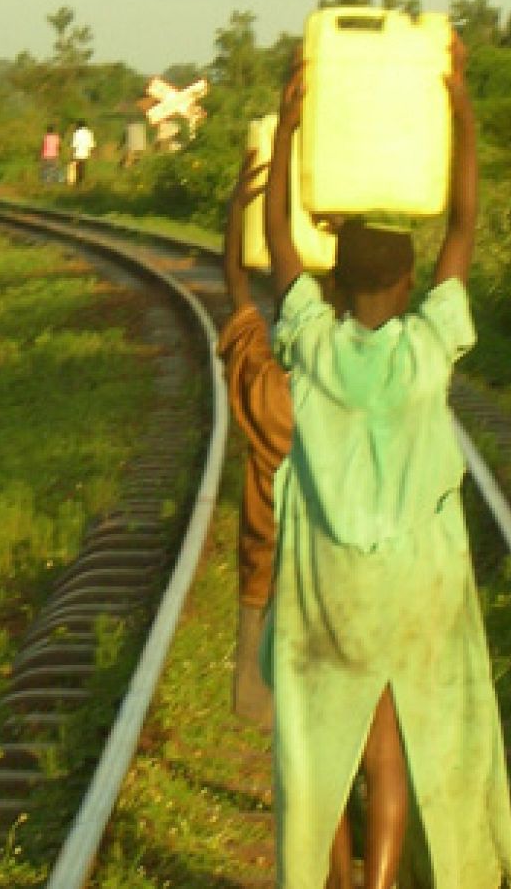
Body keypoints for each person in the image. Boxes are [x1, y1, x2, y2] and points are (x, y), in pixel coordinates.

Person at [262, 36, 511, 888]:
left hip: (327, 583)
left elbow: (277, 243)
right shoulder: (427, 348)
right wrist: (462, 117)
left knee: (316, 751)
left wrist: (290, 136)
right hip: (414, 585)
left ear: (337, 284)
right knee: (388, 750)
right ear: (410, 282)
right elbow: (465, 224)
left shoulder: (311, 344)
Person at [217, 147, 294, 729]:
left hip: (265, 581)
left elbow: (240, 300)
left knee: (284, 734)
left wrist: (237, 215)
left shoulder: (270, 397)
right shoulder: (357, 398)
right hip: (346, 588)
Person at [69, 120, 95, 186]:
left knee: (77, 167)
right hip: (86, 152)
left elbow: (74, 144)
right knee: (83, 166)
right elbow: (91, 144)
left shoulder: (76, 133)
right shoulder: (89, 133)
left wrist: (72, 153)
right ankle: (81, 180)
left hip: (78, 152)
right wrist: (91, 152)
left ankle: (77, 181)